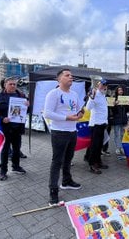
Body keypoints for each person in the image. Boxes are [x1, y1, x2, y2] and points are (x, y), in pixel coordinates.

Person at [44, 69, 84, 205]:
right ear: (59, 79)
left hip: (72, 131)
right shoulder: (53, 94)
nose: (71, 77)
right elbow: (47, 113)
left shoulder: (74, 94)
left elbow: (79, 109)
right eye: (67, 75)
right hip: (59, 132)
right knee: (57, 162)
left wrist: (80, 113)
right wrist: (66, 117)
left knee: (68, 159)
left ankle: (66, 181)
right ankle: (53, 191)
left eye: (71, 75)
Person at [0, 77, 28, 181]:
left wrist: (28, 106)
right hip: (5, 128)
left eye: (14, 84)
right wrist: (2, 118)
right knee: (5, 150)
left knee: (17, 149)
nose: (13, 86)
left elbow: (27, 111)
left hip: (17, 127)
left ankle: (16, 166)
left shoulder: (21, 96)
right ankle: (3, 171)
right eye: (10, 84)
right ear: (5, 85)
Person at [86, 79, 109, 174]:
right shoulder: (95, 94)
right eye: (102, 84)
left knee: (99, 145)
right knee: (94, 146)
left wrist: (106, 121)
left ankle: (98, 162)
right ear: (98, 85)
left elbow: (103, 110)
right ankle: (92, 165)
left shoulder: (103, 95)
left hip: (102, 124)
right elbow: (88, 108)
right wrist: (91, 97)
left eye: (105, 85)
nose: (104, 86)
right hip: (95, 124)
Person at [112, 85, 129, 156]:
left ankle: (122, 147)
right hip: (116, 119)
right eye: (119, 90)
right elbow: (112, 110)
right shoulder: (114, 99)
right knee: (116, 134)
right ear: (117, 91)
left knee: (123, 134)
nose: (120, 91)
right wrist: (114, 105)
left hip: (124, 119)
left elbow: (127, 110)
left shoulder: (125, 98)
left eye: (121, 90)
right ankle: (117, 147)